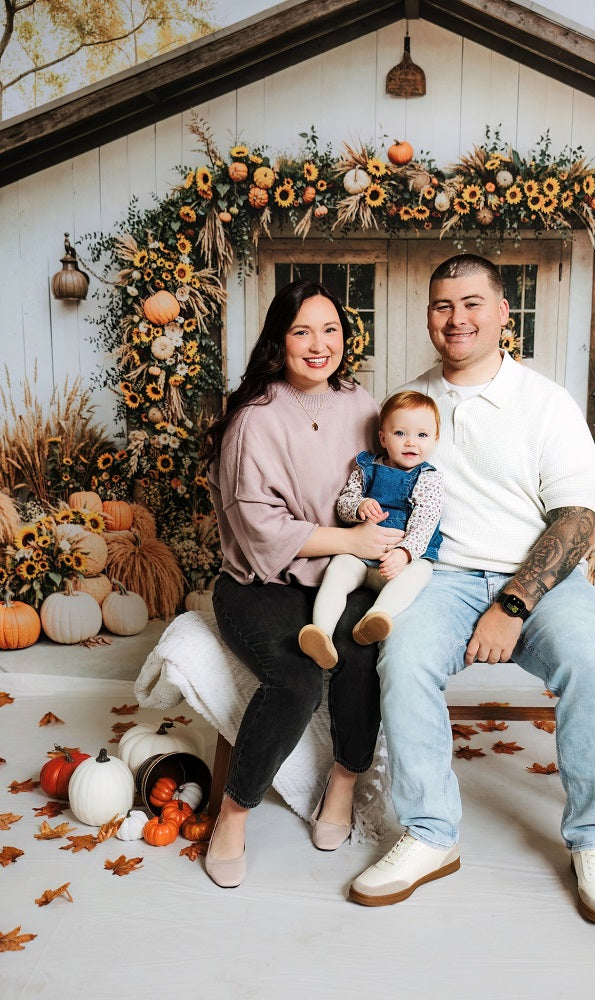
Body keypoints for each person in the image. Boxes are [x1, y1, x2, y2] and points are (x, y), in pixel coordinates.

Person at [348, 253, 595, 924]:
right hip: (440, 577)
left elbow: (575, 519)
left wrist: (511, 605)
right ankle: (430, 833)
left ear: (503, 313)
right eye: (443, 305)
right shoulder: (411, 405)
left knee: (591, 664)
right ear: (428, 317)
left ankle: (593, 839)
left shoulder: (544, 402)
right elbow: (379, 490)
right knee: (404, 659)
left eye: (472, 303)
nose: (457, 318)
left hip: (539, 577)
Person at [202, 279, 404, 887]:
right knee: (295, 678)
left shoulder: (362, 405)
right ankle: (235, 812)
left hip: (336, 578)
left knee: (363, 651)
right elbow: (260, 530)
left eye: (331, 331)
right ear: (279, 340)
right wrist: (350, 541)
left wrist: (393, 541)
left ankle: (343, 783)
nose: (320, 345)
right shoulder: (254, 421)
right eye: (302, 332)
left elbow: (388, 483)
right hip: (258, 584)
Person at [298, 390, 444, 670]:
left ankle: (376, 617)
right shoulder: (367, 468)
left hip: (396, 563)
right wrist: (359, 505)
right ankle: (321, 634)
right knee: (337, 570)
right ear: (383, 438)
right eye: (400, 433)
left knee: (421, 573)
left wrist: (404, 553)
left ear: (435, 439)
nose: (411, 442)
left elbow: (425, 523)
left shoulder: (428, 479)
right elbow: (344, 502)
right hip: (359, 555)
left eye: (422, 435)